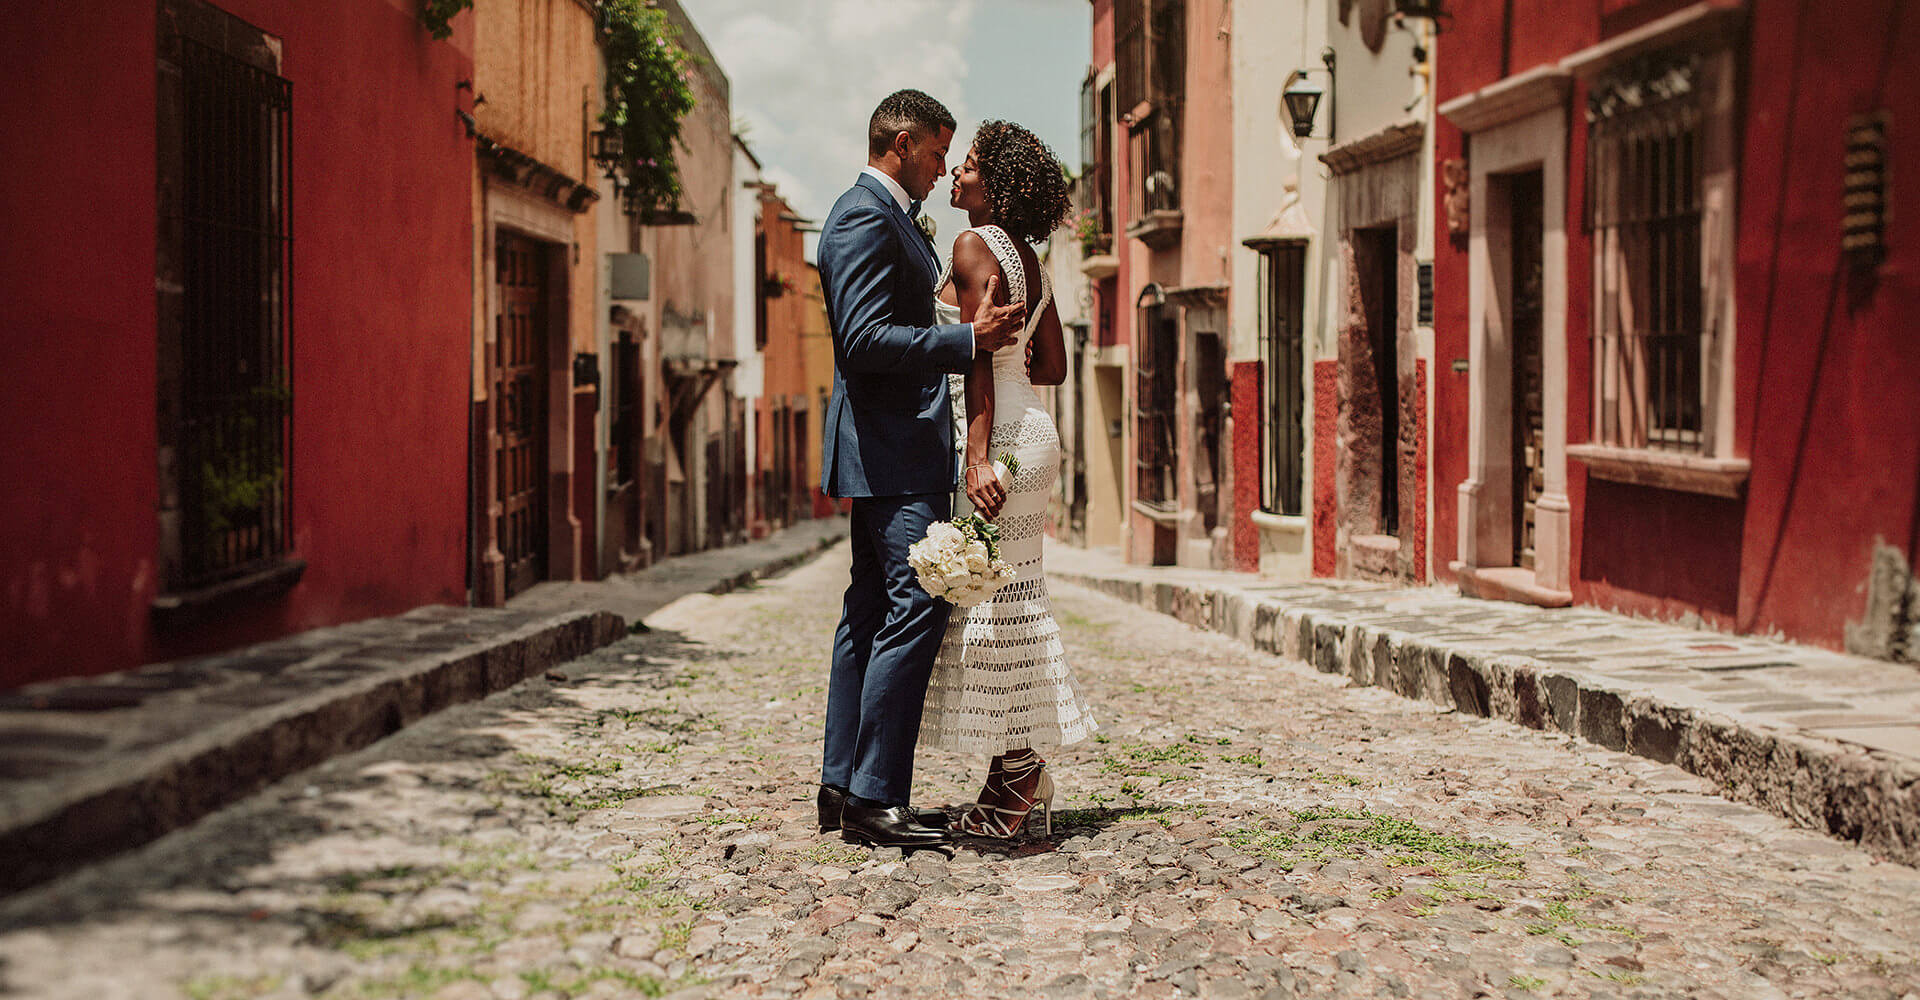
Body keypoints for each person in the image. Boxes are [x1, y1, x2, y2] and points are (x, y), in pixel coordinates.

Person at [815, 90, 1031, 849]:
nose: (943, 170)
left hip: (893, 448)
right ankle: (875, 795)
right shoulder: (860, 217)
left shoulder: (889, 219)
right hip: (888, 449)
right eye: (938, 154)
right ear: (901, 144)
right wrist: (964, 342)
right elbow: (864, 340)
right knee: (918, 604)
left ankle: (843, 788)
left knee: (870, 613)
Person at [919, 120, 1098, 840]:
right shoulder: (1032, 259)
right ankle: (1009, 777)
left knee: (994, 614)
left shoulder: (971, 246)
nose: (956, 176)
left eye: (966, 167)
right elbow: (1048, 364)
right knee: (1012, 599)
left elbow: (976, 357)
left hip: (999, 441)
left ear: (994, 182)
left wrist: (976, 453)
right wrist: (1007, 371)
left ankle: (1020, 772)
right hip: (1036, 429)